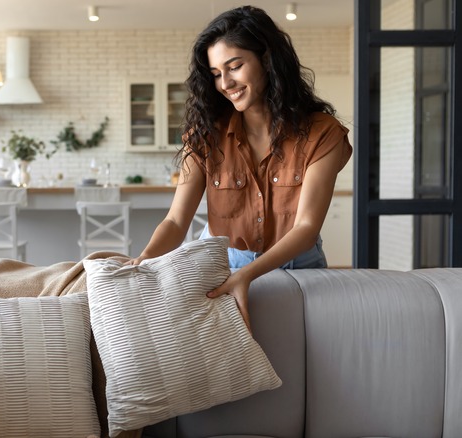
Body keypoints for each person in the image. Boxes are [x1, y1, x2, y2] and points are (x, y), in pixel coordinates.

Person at [127, 6, 352, 331]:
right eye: (216, 73)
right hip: (226, 264)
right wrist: (144, 259)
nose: (225, 83)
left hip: (301, 267)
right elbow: (176, 221)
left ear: (268, 60)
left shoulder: (322, 132)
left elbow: (305, 228)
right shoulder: (205, 135)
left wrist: (247, 275)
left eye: (235, 66)